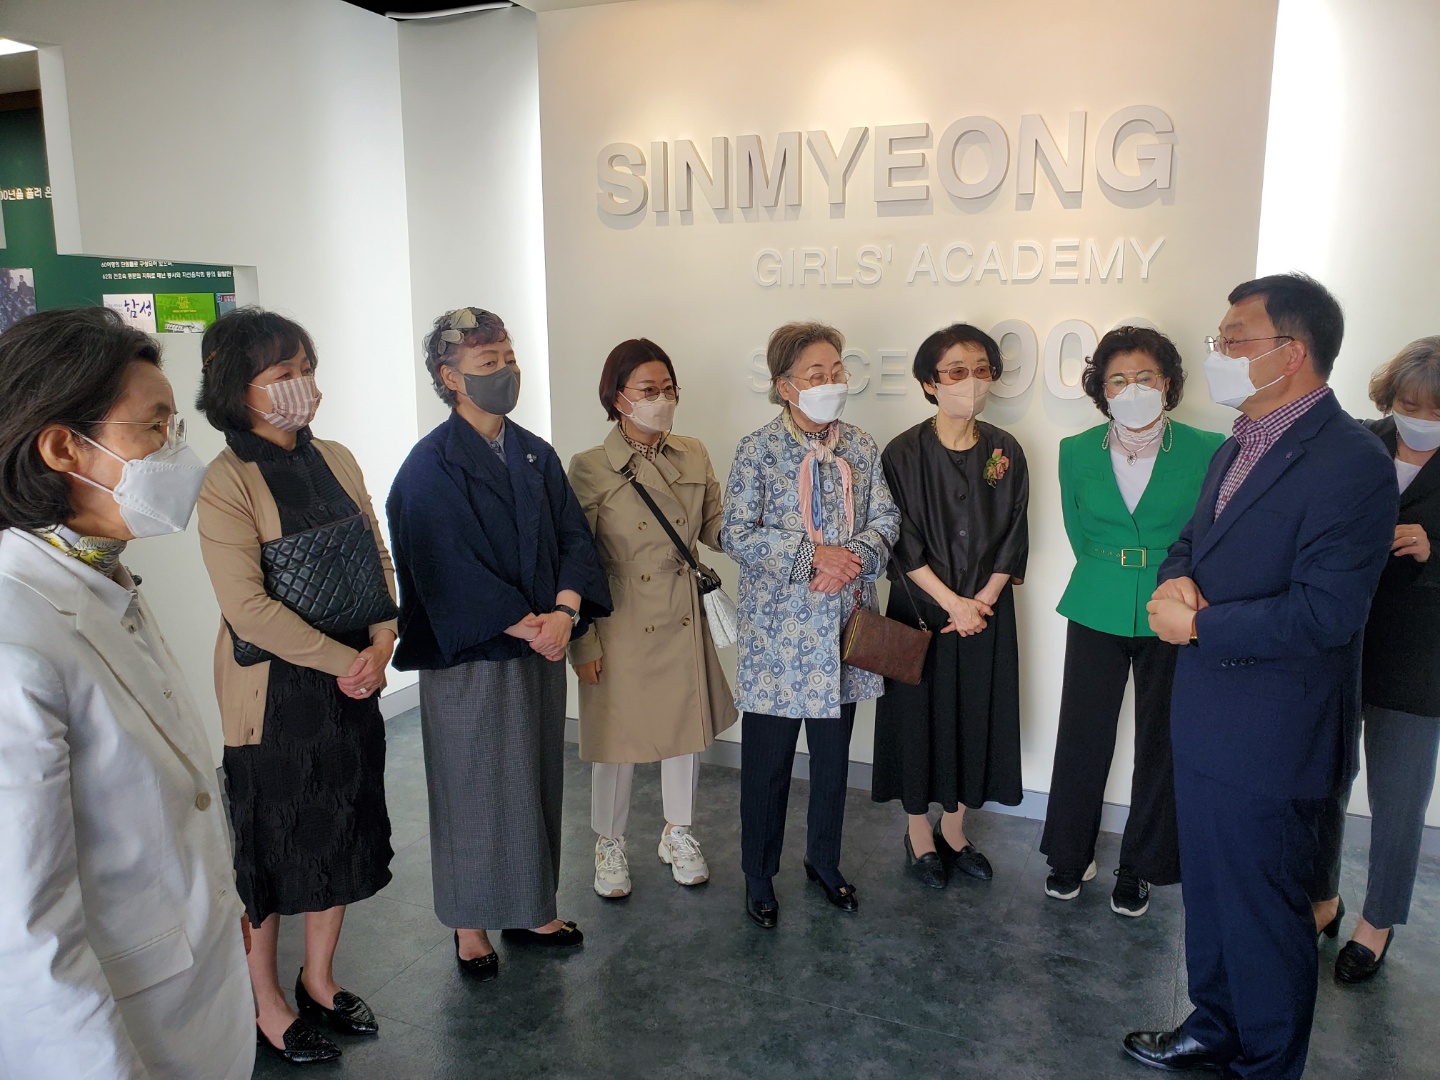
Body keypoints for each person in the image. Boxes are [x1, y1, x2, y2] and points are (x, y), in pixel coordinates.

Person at [1125, 274, 1396, 1079]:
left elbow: (1326, 612)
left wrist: (1200, 625)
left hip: (1275, 731)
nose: (1219, 353)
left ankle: (1267, 1063)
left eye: (1233, 340)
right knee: (1211, 893)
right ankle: (1214, 1027)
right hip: (1206, 713)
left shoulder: (1350, 461)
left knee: (1266, 913)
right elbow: (1191, 544)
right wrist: (1176, 582)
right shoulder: (1240, 442)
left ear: (1292, 351)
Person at [0, 307, 253, 1078]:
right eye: (155, 428)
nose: (178, 453)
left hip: (189, 996)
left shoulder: (97, 578)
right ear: (62, 448)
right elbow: (29, 939)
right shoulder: (17, 642)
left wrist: (221, 909)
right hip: (123, 1036)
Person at [195, 308, 396, 1065]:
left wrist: (383, 637)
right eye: (282, 373)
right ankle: (267, 1001)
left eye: (306, 368)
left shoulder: (337, 457)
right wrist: (343, 659)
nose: (301, 385)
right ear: (237, 388)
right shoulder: (225, 482)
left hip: (352, 682)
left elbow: (376, 558)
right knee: (271, 847)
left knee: (341, 829)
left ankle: (319, 978)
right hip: (276, 697)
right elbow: (246, 607)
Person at [387, 307, 611, 976]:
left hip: (540, 642)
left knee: (533, 778)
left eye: (509, 359)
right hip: (473, 653)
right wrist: (526, 622)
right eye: (488, 364)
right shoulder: (429, 466)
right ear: (450, 378)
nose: (506, 372)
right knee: (473, 785)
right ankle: (470, 924)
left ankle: (531, 905)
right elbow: (440, 563)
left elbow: (574, 538)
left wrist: (565, 612)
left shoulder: (535, 453)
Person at [1039, 327, 1224, 914]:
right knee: (1082, 733)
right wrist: (1111, 570)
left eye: (1145, 376)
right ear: (1102, 390)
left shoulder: (1208, 447)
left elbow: (1208, 534)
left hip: (1174, 606)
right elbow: (1078, 532)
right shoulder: (1075, 450)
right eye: (1118, 379)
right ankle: (1068, 854)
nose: (1133, 388)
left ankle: (1141, 866)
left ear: (1167, 383)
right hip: (1097, 600)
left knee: (1161, 740)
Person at [721, 321, 900, 928]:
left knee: (831, 763)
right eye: (816, 374)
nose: (831, 381)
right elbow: (734, 532)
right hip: (778, 639)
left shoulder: (861, 445)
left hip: (845, 630)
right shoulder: (758, 449)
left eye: (837, 370)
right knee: (766, 767)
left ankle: (824, 860)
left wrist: (853, 557)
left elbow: (886, 519)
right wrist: (811, 558)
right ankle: (758, 874)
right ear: (785, 386)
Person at [567, 338, 737, 898]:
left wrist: (770, 535)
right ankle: (609, 841)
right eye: (648, 389)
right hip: (619, 618)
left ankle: (678, 832)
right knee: (615, 741)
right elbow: (576, 561)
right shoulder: (590, 466)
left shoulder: (693, 452)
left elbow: (715, 527)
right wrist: (582, 643)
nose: (661, 399)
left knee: (684, 732)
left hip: (680, 607)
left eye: (668, 388)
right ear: (617, 397)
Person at [872, 323, 1028, 890]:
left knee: (975, 715)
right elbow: (900, 539)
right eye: (957, 371)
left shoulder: (1005, 449)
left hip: (985, 614)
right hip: (921, 610)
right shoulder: (902, 453)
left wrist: (980, 602)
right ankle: (918, 833)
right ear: (928, 383)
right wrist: (952, 604)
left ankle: (955, 831)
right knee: (918, 719)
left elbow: (1014, 532)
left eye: (982, 369)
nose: (972, 381)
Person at [1309, 336, 1440, 984]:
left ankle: (1377, 923)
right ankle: (1322, 898)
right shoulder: (1362, 439)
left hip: (1419, 658)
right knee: (1324, 780)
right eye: (1409, 406)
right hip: (1343, 640)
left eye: (1435, 410)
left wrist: (1433, 547)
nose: (1420, 419)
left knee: (1398, 801)